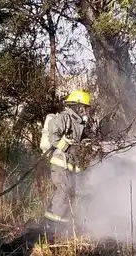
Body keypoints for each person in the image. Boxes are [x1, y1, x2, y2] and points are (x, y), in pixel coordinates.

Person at [39, 89, 92, 235]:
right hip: (59, 163)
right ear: (78, 106)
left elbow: (79, 143)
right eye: (85, 108)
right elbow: (53, 136)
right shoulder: (64, 118)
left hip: (70, 165)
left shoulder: (79, 124)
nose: (86, 111)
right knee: (63, 191)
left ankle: (63, 227)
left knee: (71, 193)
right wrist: (67, 145)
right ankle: (50, 225)